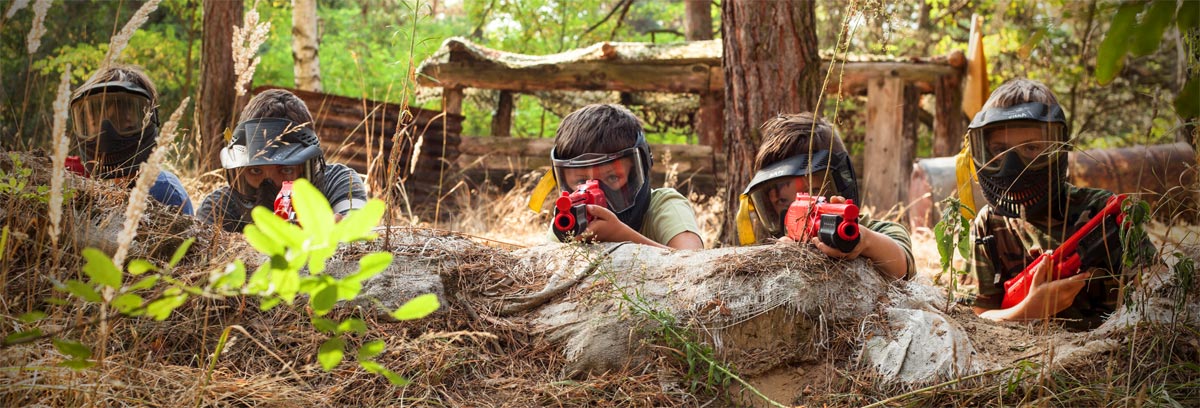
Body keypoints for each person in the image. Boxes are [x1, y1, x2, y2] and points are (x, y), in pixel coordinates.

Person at [966, 78, 1153, 330]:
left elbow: (1159, 293)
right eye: (1000, 149)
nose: (1013, 166)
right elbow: (979, 317)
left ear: (1059, 148)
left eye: (1031, 148)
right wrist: (1028, 311)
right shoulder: (989, 224)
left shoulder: (1104, 213)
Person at [737, 113, 912, 280]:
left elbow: (902, 266)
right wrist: (784, 259)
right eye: (784, 201)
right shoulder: (774, 244)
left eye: (815, 191)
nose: (802, 210)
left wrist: (864, 241)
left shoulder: (878, 232)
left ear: (843, 185)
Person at [198, 89, 367, 232]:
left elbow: (355, 228)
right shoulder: (219, 207)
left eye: (286, 169)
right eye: (256, 170)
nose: (272, 185)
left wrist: (339, 225)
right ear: (240, 170)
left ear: (308, 167)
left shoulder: (338, 181)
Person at [542, 104, 703, 250]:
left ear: (636, 171)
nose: (594, 191)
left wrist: (619, 235)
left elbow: (695, 265)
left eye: (612, 177)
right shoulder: (566, 221)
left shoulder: (664, 206)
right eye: (580, 181)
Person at [67, 64, 192, 214]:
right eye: (96, 125)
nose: (107, 135)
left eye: (124, 123)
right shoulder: (97, 191)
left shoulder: (164, 192)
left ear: (151, 119)